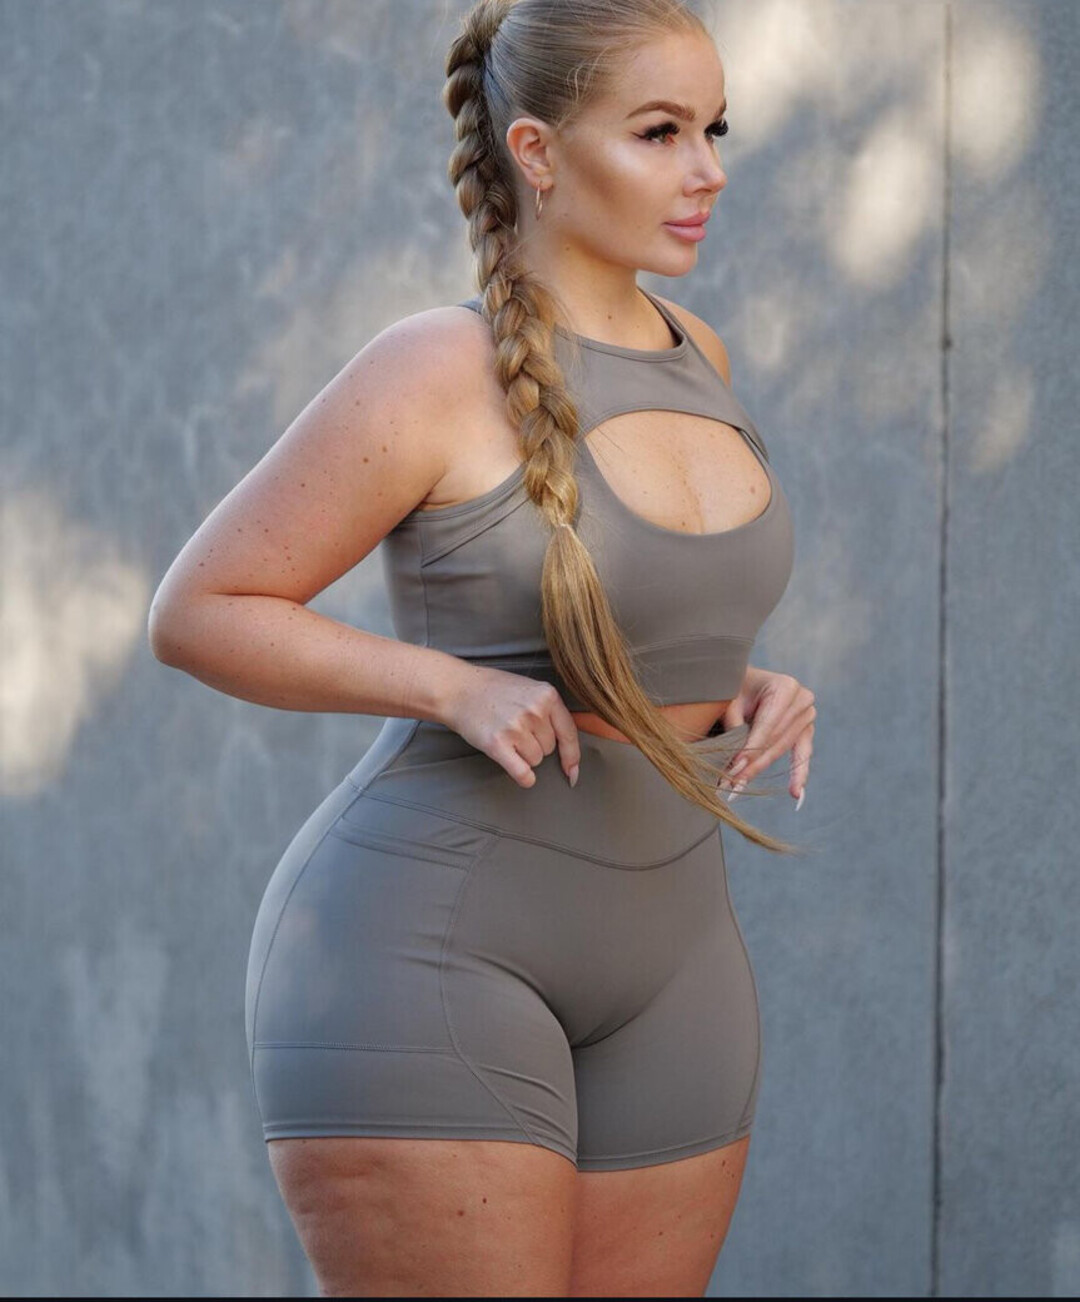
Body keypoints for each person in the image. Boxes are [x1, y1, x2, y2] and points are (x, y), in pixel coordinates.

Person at [148, 0, 817, 1293]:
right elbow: (203, 608)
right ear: (538, 151)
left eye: (715, 130)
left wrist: (742, 686)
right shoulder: (431, 369)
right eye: (661, 132)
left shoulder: (703, 357)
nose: (709, 171)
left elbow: (634, 616)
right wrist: (449, 687)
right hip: (429, 948)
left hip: (678, 962)